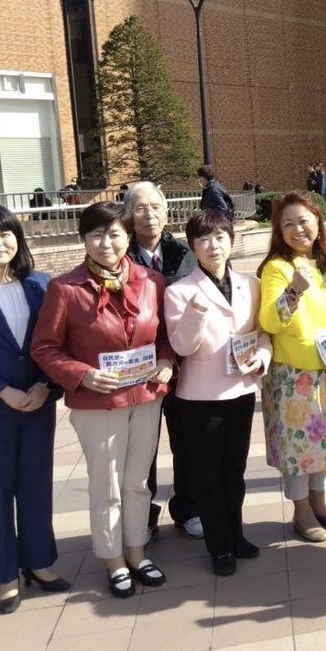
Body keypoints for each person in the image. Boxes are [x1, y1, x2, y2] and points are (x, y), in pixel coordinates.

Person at [31, 202, 176, 598]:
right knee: (107, 485)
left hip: (145, 396)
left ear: (128, 237)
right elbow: (44, 348)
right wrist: (82, 374)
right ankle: (113, 559)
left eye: (114, 233)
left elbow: (165, 336)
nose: (106, 243)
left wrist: (167, 361)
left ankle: (137, 552)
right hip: (98, 404)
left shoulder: (151, 280)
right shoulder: (65, 289)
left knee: (137, 482)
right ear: (84, 239)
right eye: (96, 234)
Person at [0, 205, 69, 614]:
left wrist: (46, 385)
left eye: (4, 233)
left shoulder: (41, 284)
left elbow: (59, 341)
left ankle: (38, 562)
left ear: (18, 238)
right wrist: (2, 391)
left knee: (36, 484)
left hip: (36, 403)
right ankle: (4, 574)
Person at [164, 209, 270, 576]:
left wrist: (262, 356)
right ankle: (219, 546)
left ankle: (237, 535)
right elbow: (182, 346)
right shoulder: (179, 291)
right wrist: (194, 313)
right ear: (193, 246)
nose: (213, 246)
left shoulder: (250, 284)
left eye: (220, 237)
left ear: (231, 240)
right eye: (204, 239)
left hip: (241, 390)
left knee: (234, 471)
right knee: (207, 475)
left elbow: (261, 333)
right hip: (200, 398)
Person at [257, 192, 326, 542]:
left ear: (318, 221)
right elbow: (269, 321)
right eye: (288, 224)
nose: (297, 229)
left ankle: (319, 504)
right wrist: (294, 291)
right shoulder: (277, 267)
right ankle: (301, 511)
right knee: (298, 447)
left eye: (303, 221)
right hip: (296, 373)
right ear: (279, 230)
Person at [123, 182, 199, 541]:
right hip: (139, 370)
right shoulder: (119, 256)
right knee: (142, 448)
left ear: (167, 212)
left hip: (184, 366)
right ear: (129, 215)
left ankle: (188, 509)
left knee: (187, 442)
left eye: (156, 206)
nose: (149, 215)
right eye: (140, 208)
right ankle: (145, 517)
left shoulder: (186, 253)